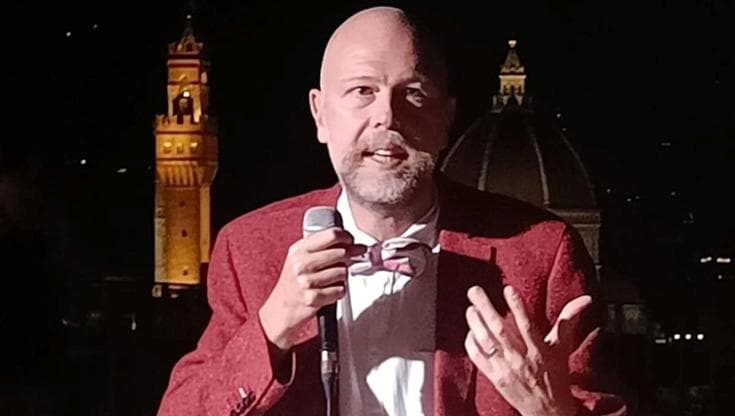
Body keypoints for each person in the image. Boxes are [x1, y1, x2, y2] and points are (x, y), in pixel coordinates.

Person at [157, 6, 626, 416]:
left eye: (413, 92)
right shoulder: (248, 250)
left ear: (446, 117)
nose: (387, 116)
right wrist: (272, 326)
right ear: (320, 115)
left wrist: (551, 412)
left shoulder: (542, 254)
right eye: (363, 90)